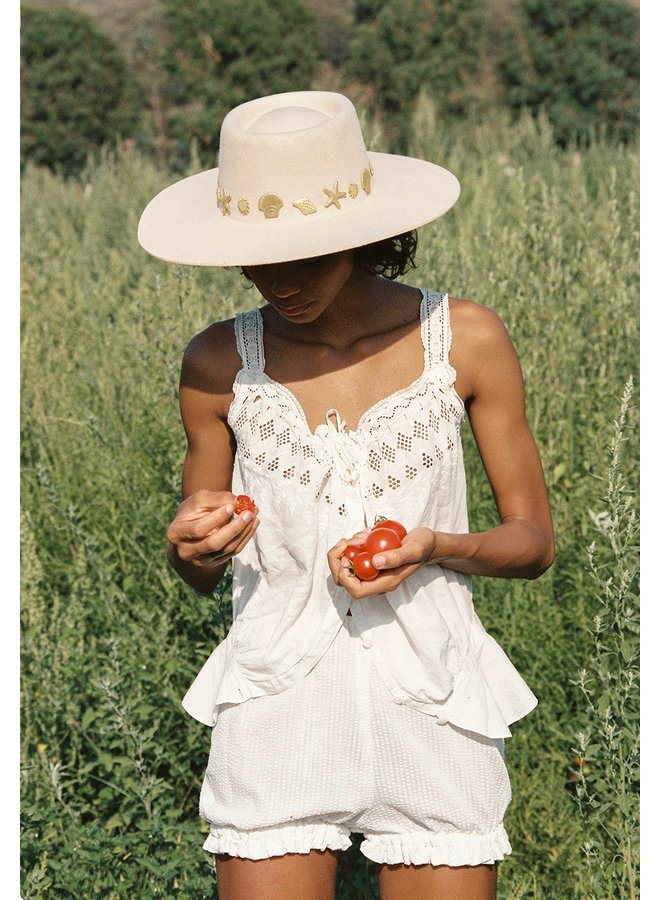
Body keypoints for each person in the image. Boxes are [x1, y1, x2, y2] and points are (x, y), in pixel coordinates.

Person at [138, 91, 555, 900]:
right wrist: (189, 545)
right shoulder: (217, 363)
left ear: (365, 238)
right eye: (257, 258)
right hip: (274, 703)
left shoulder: (464, 338)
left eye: (309, 256)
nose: (279, 281)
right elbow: (200, 567)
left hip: (436, 700)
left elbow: (532, 542)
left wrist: (436, 545)